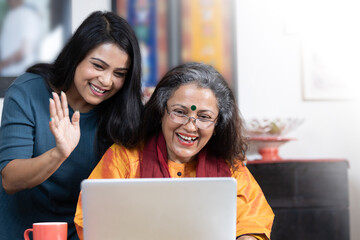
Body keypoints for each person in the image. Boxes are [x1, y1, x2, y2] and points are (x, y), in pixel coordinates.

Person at [74, 62, 274, 240]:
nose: (190, 126)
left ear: (217, 125)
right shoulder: (124, 158)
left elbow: (253, 220)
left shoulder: (232, 168)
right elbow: (93, 220)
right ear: (161, 111)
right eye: (180, 112)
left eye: (204, 117)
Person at [0, 11, 143, 240]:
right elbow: (10, 180)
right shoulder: (27, 92)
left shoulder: (124, 112)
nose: (107, 81)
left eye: (119, 73)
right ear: (76, 56)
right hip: (22, 233)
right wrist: (59, 153)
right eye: (98, 66)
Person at [0, 0, 41, 76]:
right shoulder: (10, 15)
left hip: (19, 75)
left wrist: (2, 65)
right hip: (7, 74)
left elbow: (25, 50)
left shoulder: (28, 14)